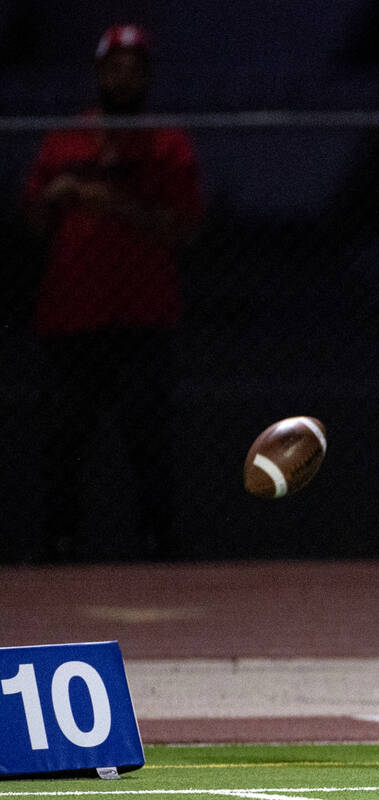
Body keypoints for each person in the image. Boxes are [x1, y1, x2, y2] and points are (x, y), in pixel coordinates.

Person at [21, 24, 203, 561]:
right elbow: (33, 220)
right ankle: (59, 544)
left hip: (142, 314)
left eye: (134, 68)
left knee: (147, 438)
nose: (123, 77)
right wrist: (58, 197)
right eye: (114, 67)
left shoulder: (166, 142)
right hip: (71, 315)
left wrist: (99, 198)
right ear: (99, 73)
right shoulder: (66, 138)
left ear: (147, 77)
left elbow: (181, 227)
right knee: (63, 438)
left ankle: (158, 545)